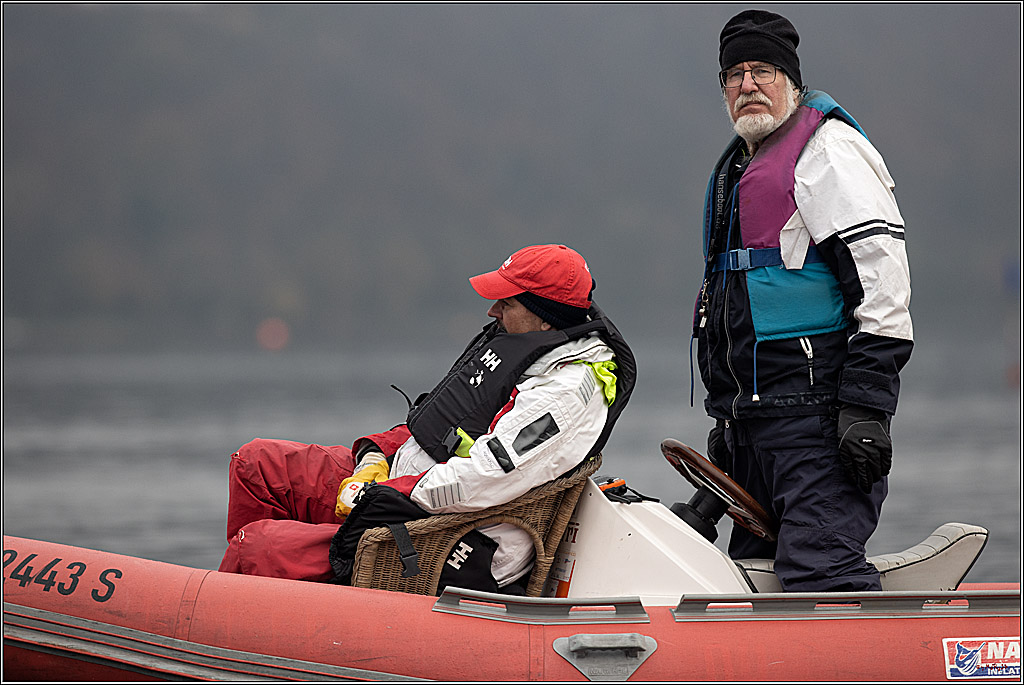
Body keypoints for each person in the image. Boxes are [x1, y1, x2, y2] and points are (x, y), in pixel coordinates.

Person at [218, 244, 636, 594]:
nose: (492, 310)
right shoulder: (524, 344)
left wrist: (380, 494)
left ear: (545, 316)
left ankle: (246, 624)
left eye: (507, 302)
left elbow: (483, 478)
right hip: (401, 488)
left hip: (451, 534)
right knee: (256, 464)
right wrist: (375, 457)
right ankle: (280, 611)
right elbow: (437, 421)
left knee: (253, 548)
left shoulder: (563, 394)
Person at [692, 10, 913, 592]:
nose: (747, 85)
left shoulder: (829, 151)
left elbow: (883, 286)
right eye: (734, 75)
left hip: (818, 423)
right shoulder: (741, 165)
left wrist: (866, 409)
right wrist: (728, 428)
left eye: (761, 70)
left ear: (790, 78)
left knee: (821, 576)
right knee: (751, 583)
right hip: (752, 427)